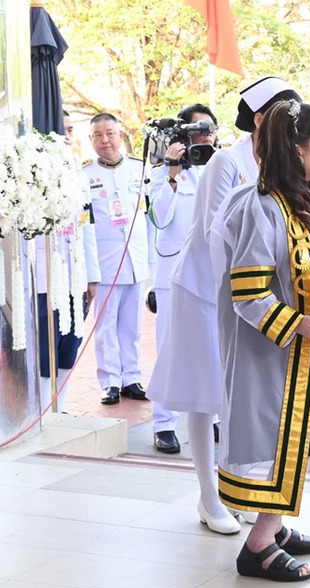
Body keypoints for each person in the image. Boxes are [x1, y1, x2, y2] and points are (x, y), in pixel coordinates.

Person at [210, 99, 310, 582]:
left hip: (297, 355)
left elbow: (300, 257)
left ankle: (273, 528)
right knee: (275, 441)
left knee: (298, 437)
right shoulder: (261, 207)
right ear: (298, 149)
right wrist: (302, 325)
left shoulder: (298, 198)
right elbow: (248, 293)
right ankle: (258, 545)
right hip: (270, 352)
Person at [147, 76, 301, 535]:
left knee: (243, 394)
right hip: (204, 292)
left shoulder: (279, 161)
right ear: (261, 119)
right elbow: (217, 233)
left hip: (249, 294)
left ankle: (246, 492)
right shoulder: (226, 161)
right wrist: (244, 292)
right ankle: (209, 496)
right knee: (204, 393)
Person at [145, 103, 219, 453]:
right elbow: (159, 219)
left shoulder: (220, 168)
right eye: (199, 131)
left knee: (213, 347)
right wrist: (172, 175)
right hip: (173, 276)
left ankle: (212, 414)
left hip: (209, 275)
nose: (206, 137)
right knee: (170, 349)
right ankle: (163, 424)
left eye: (210, 130)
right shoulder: (164, 172)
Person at [83, 113, 153, 406]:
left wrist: (151, 262)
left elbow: (150, 219)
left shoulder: (140, 169)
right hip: (106, 262)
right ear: (91, 140)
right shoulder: (84, 176)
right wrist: (90, 272)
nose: (105, 140)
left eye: (110, 133)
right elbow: (86, 228)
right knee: (106, 325)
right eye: (98, 135)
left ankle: (131, 377)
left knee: (131, 325)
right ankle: (110, 380)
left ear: (120, 135)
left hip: (135, 260)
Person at [35, 110, 100, 413]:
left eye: (71, 130)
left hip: (75, 276)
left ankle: (59, 409)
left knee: (69, 344)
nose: (67, 137)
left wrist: (92, 275)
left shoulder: (79, 174)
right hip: (43, 278)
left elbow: (88, 227)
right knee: (43, 349)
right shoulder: (31, 172)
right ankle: (39, 412)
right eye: (62, 130)